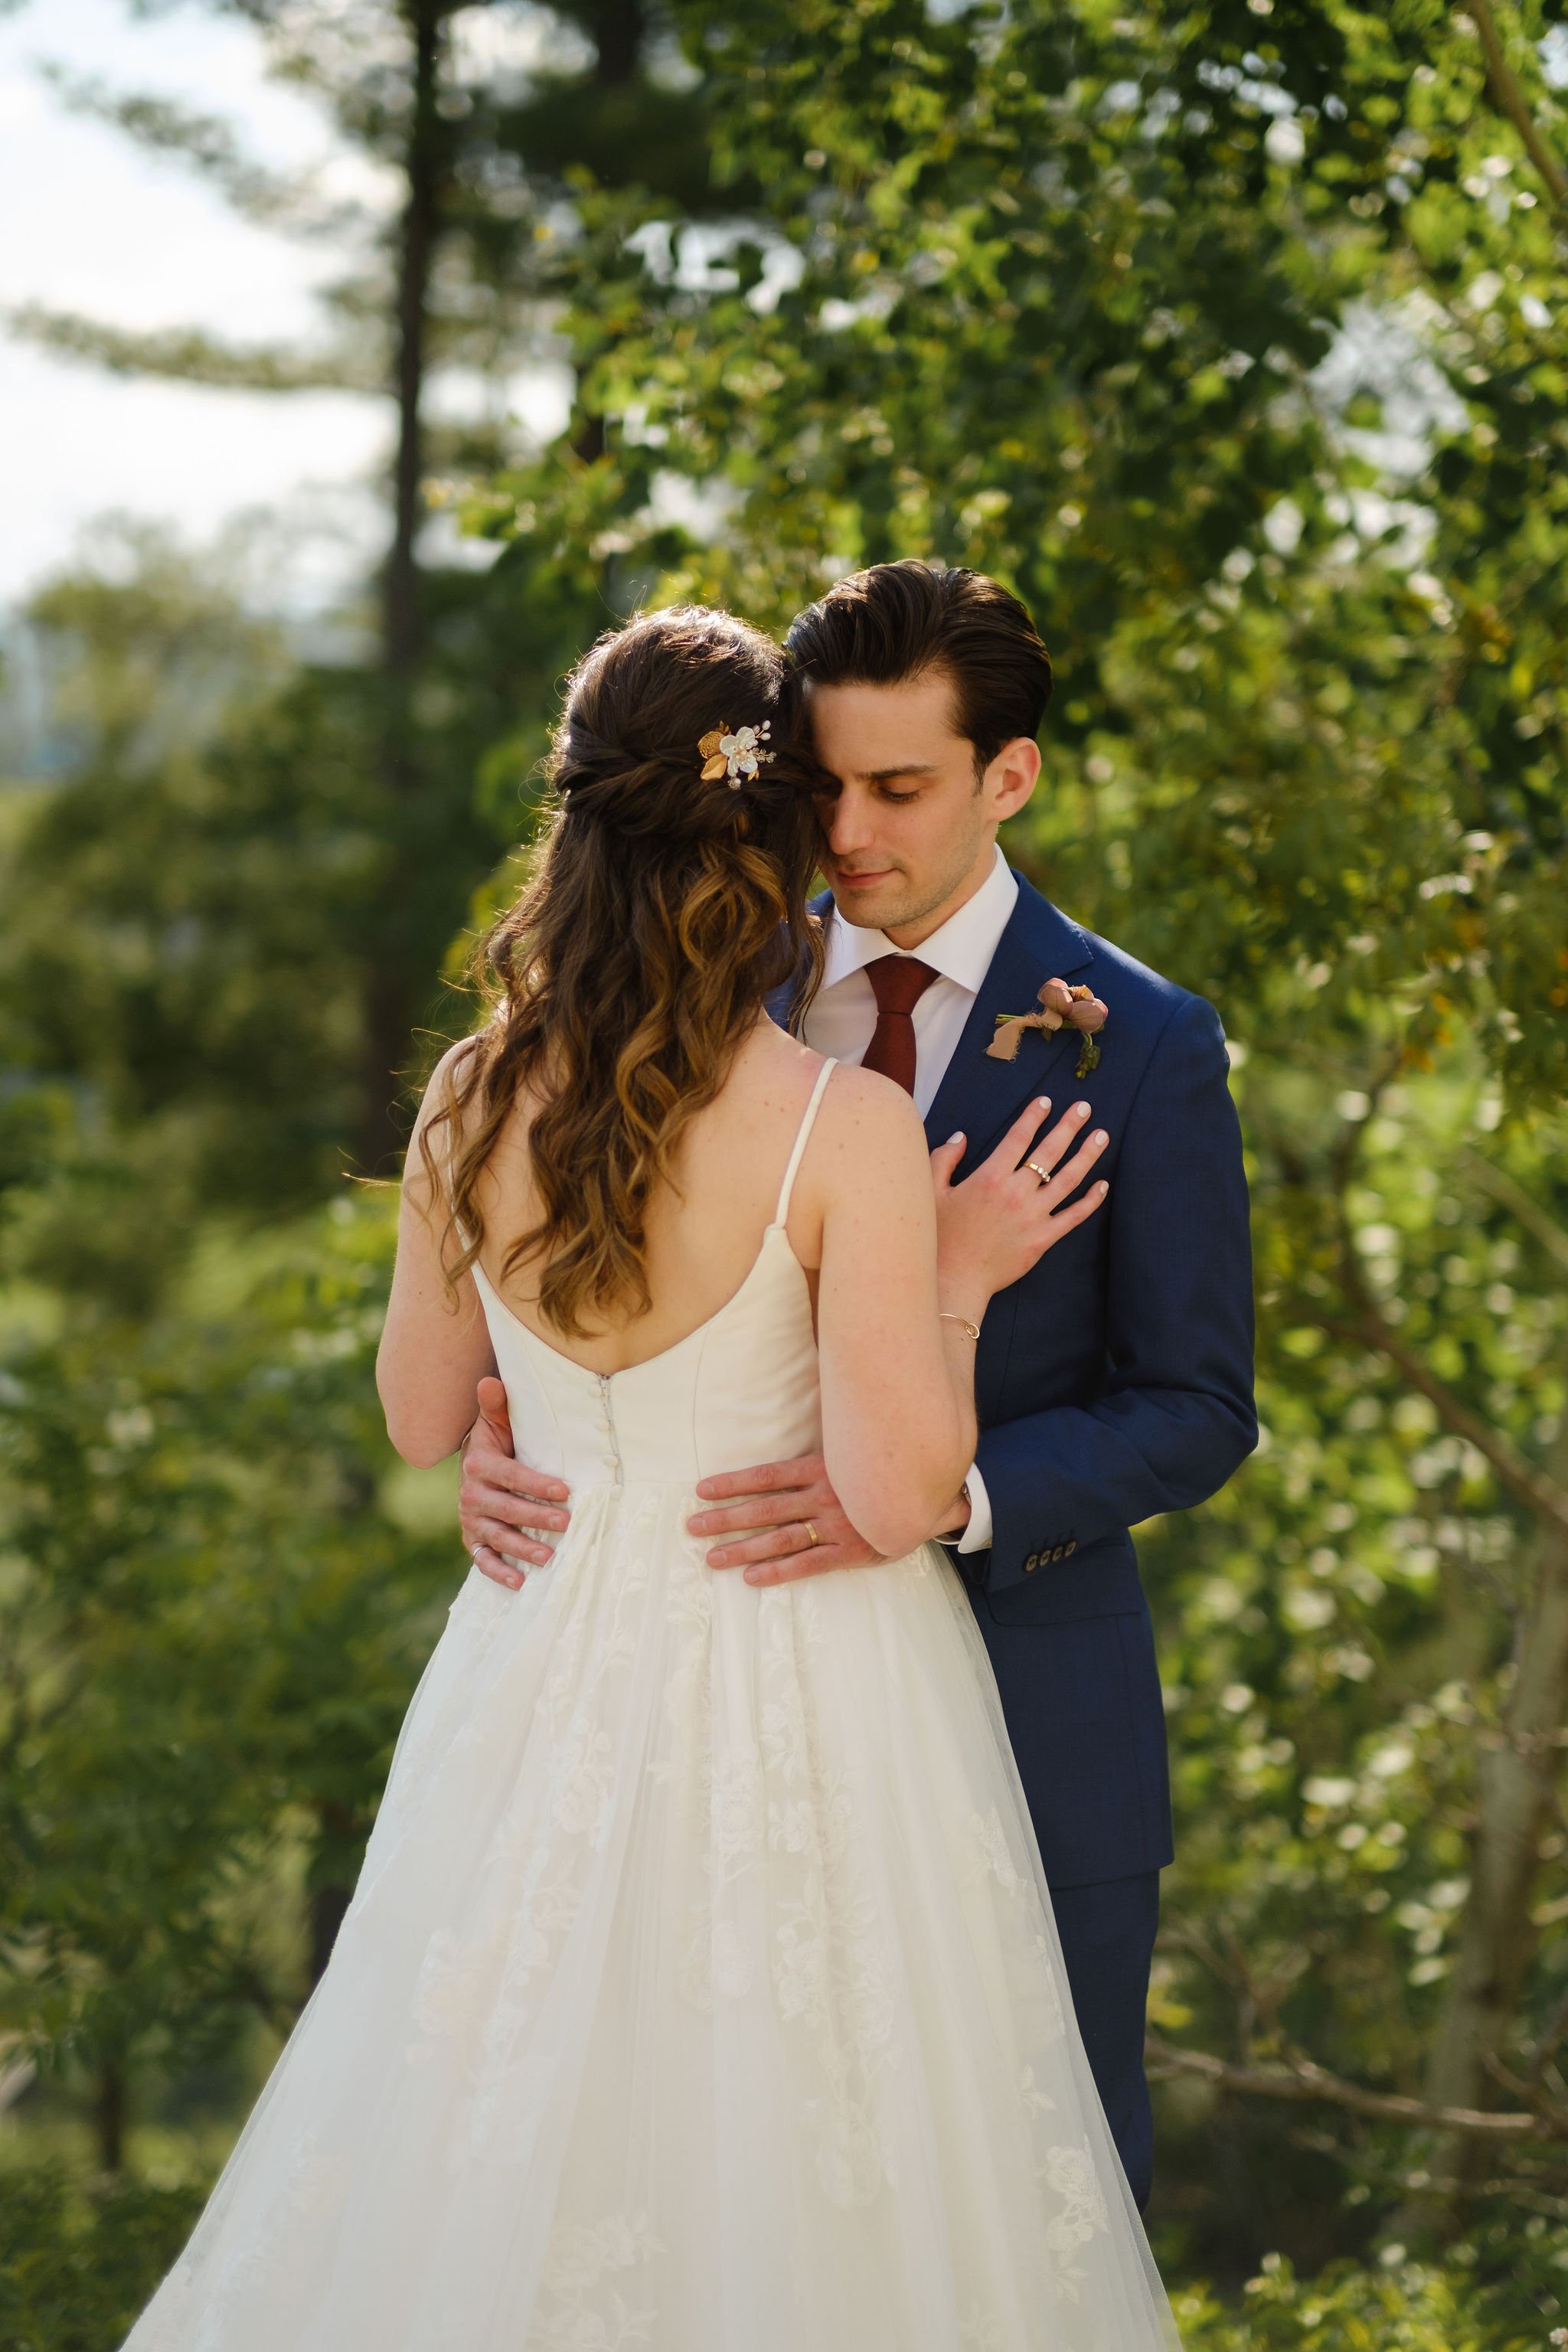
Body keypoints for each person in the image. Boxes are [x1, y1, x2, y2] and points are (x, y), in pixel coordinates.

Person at [120, 604, 1178, 2350]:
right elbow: (905, 1492)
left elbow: (414, 1409)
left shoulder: (468, 1094)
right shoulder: (841, 1129)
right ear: (765, 838)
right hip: (814, 1680)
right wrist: (957, 1285)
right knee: (821, 2145)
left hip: (539, 1668)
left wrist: (530, 1434)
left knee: (503, 2108)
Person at [459, 562, 1258, 2212]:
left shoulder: (1152, 1048)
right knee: (715, 2188)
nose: (846, 833)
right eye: (820, 785)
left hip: (1032, 1706)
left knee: (1028, 2204)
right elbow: (571, 1267)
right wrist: (507, 1430)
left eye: (900, 789)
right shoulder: (699, 987)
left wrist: (935, 1499)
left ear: (1007, 776)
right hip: (713, 1724)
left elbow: (1197, 1404)